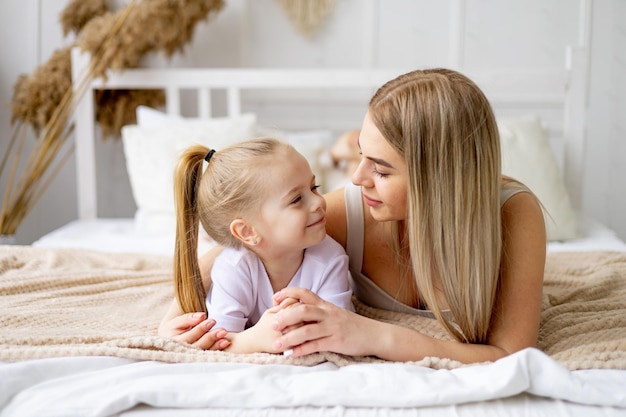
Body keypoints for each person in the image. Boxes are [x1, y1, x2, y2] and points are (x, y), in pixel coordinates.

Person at [160, 68, 546, 364]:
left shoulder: (513, 215)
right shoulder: (351, 211)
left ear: (438, 179)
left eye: (381, 170)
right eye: (361, 156)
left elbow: (510, 356)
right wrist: (171, 323)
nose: (359, 180)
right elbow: (233, 252)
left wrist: (373, 336)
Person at [161, 137, 354, 354]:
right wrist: (255, 340)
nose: (319, 201)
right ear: (247, 232)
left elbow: (337, 329)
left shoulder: (331, 257)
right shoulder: (234, 266)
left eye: (314, 187)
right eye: (296, 199)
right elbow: (220, 341)